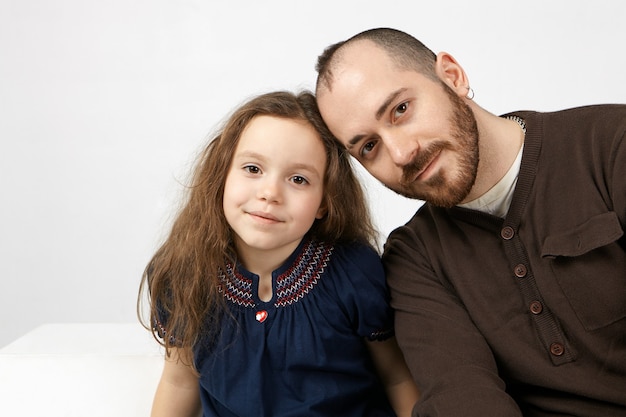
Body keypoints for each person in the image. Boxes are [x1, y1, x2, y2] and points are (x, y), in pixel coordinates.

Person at [315, 27, 626, 416]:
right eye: (369, 147)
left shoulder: (612, 146)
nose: (401, 153)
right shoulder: (414, 258)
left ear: (452, 76)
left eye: (400, 109)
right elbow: (461, 398)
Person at [138, 90, 419, 417]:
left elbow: (397, 378)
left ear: (325, 202)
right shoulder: (184, 270)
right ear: (222, 176)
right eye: (253, 169)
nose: (270, 193)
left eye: (298, 179)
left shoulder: (352, 272)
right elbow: (179, 383)